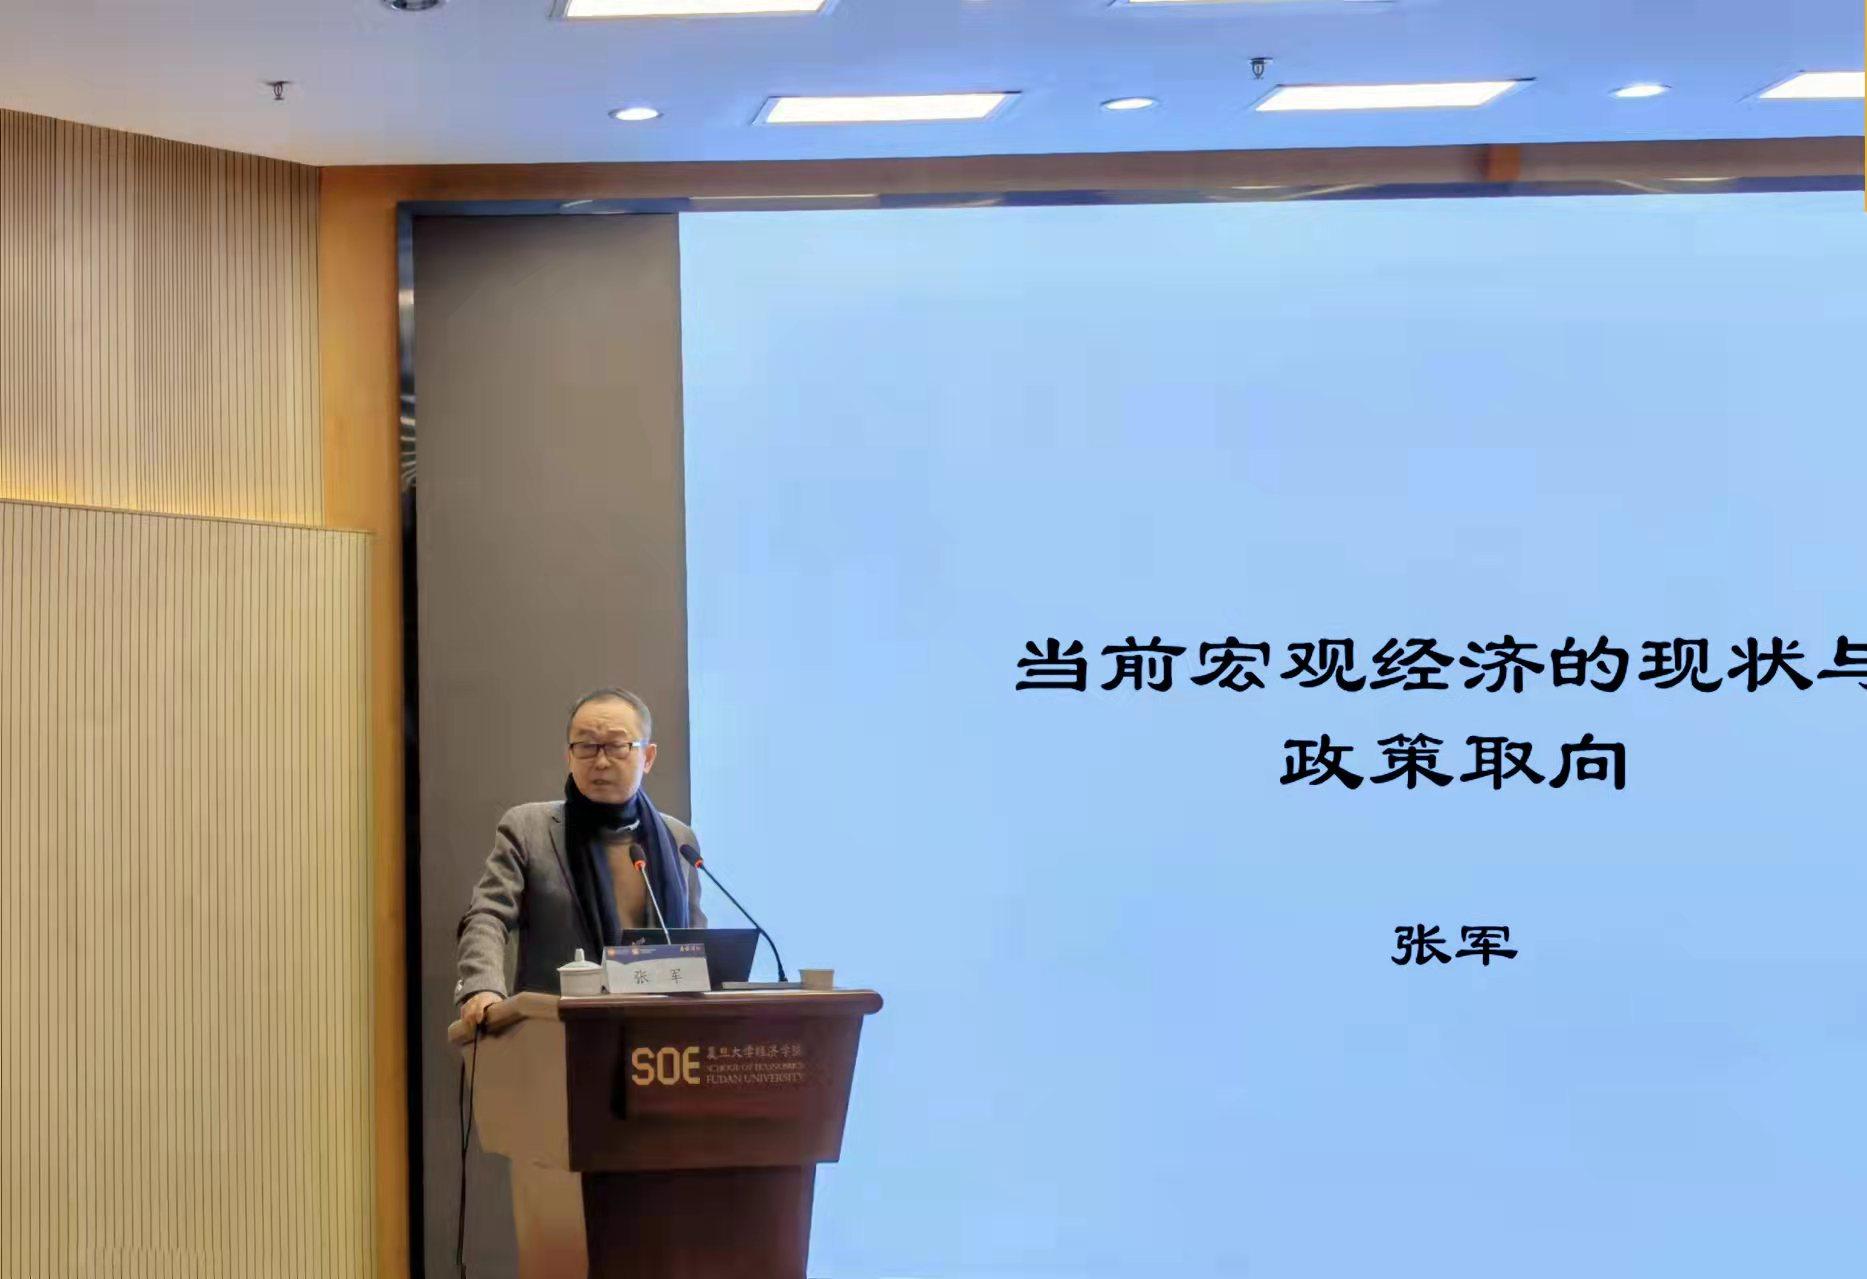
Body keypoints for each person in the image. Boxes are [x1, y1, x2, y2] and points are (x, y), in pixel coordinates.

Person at [455, 687, 705, 1028]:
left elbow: (695, 939)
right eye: (586, 746)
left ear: (648, 757)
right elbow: (487, 915)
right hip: (555, 1033)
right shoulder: (528, 828)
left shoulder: (678, 839)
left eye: (616, 746)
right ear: (569, 756)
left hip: (661, 1033)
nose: (600, 761)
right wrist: (482, 987)